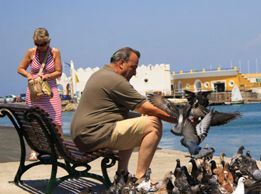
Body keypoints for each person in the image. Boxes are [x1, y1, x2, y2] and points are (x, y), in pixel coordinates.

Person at [71, 47, 176, 181]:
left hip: (84, 134)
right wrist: (179, 120)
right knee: (153, 124)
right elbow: (147, 108)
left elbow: (141, 112)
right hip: (92, 135)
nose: (135, 72)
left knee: (136, 120)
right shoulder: (115, 80)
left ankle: (122, 174)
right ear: (121, 63)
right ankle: (140, 179)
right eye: (133, 67)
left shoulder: (101, 74)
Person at [17, 27, 63, 161]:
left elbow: (58, 72)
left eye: (43, 44)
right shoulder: (31, 52)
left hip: (50, 91)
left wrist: (46, 76)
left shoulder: (55, 52)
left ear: (48, 41)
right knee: (34, 123)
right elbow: (20, 68)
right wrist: (29, 75)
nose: (41, 47)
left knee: (56, 122)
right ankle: (34, 151)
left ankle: (60, 149)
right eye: (37, 44)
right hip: (35, 92)